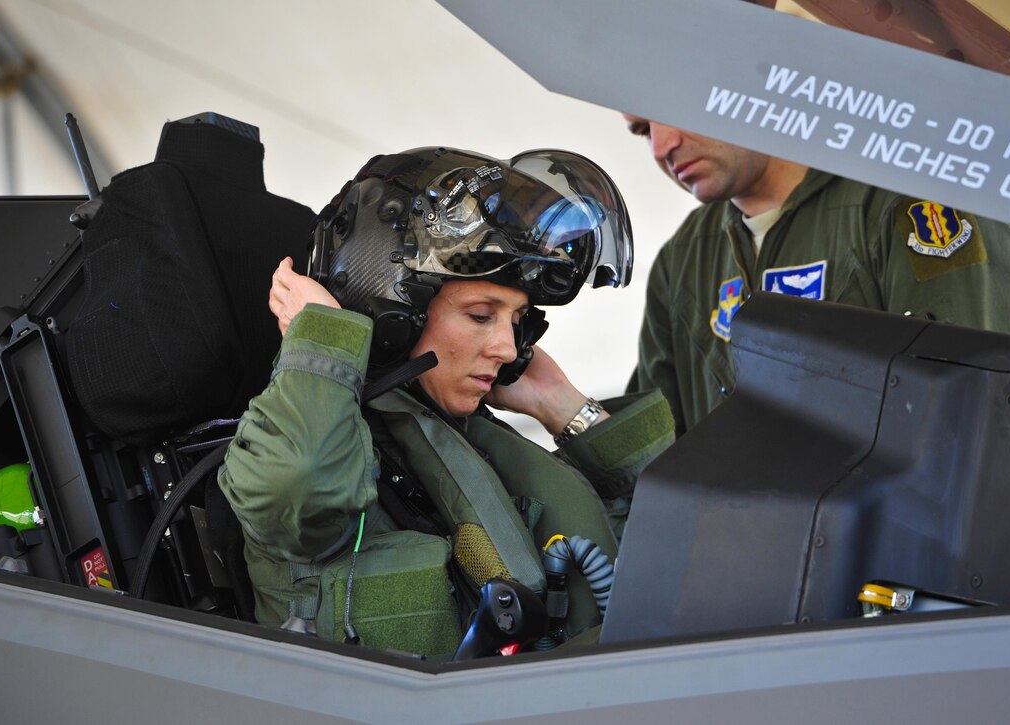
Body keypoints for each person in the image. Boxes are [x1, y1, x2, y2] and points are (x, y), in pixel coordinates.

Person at [218, 146, 675, 659]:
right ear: (396, 311)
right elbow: (300, 486)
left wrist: (561, 405)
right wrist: (323, 342)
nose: (507, 348)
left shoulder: (473, 441)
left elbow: (674, 551)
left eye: (516, 321)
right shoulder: (305, 447)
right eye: (482, 315)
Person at [622, 115, 1010, 434]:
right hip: (739, 550)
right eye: (642, 129)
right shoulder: (681, 259)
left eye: (675, 109)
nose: (662, 146)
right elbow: (655, 456)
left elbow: (993, 422)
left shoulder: (916, 196)